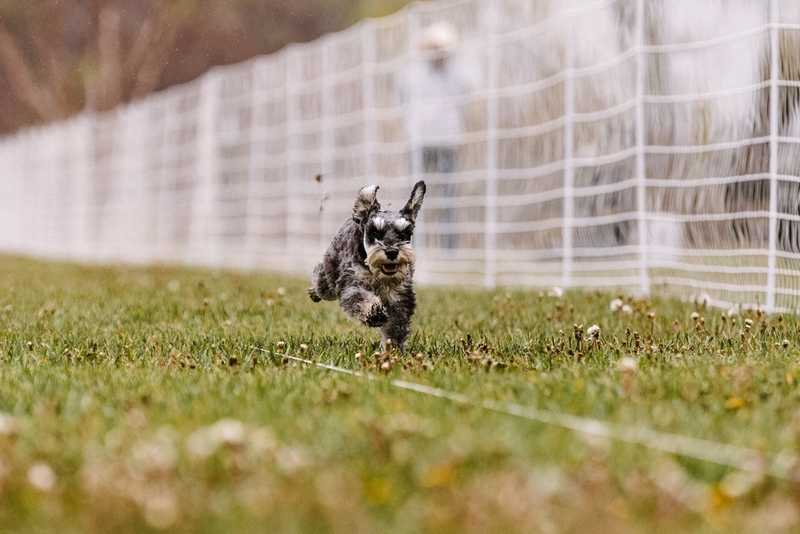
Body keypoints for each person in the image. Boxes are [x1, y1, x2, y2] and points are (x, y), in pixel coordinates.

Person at [400, 22, 472, 250]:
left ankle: (449, 251)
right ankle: (409, 245)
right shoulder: (411, 75)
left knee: (447, 199)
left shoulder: (458, 75)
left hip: (447, 143)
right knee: (413, 200)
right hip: (419, 143)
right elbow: (402, 104)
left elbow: (464, 101)